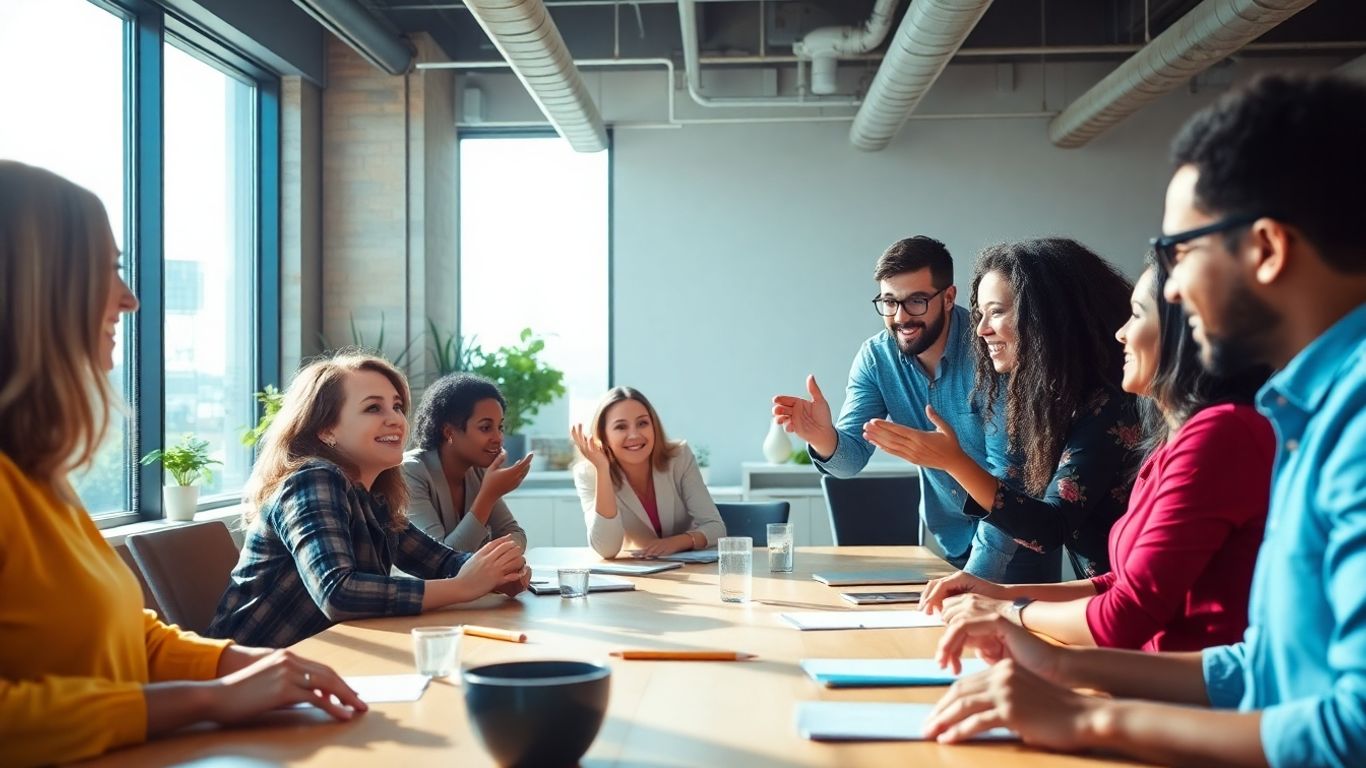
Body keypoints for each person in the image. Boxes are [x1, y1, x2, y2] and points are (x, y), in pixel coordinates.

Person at [924, 73, 1366, 767]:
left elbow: (1352, 731)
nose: (1175, 287)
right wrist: (1061, 671)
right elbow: (1266, 668)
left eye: (1179, 253)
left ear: (1268, 249)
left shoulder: (1351, 422)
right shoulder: (1304, 411)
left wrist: (1087, 722)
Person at [0, 161, 366, 768]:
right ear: (35, 285)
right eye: (106, 270)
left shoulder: (39, 478)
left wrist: (240, 665)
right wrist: (209, 698)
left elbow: (124, 634)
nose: (130, 298)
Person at [918, 257, 1273, 652]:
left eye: (1137, 315)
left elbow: (1065, 545)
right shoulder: (1163, 440)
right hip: (1137, 660)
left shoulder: (1203, 431)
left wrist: (1006, 611)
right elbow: (1118, 581)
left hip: (1167, 674)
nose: (1121, 332)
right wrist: (999, 596)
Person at [773, 236, 1055, 582]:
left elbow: (1010, 476)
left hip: (1017, 540)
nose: (901, 317)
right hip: (951, 540)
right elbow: (849, 462)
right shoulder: (877, 359)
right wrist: (823, 438)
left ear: (948, 297)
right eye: (889, 303)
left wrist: (977, 577)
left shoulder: (992, 351)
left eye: (917, 301)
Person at [208, 353, 530, 648]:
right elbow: (339, 593)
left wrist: (497, 574)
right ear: (326, 430)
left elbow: (442, 562)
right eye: (373, 408)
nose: (396, 420)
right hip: (247, 677)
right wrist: (464, 587)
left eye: (397, 407)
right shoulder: (313, 478)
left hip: (315, 664)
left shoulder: (372, 498)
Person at [864, 238, 1141, 578]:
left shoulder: (1109, 405)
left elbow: (1048, 529)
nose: (981, 329)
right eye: (981, 313)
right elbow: (1103, 584)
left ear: (1046, 315)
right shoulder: (1058, 403)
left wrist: (954, 461)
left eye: (996, 312)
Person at [571, 387, 725, 559]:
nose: (634, 435)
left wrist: (676, 542)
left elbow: (716, 528)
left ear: (654, 426)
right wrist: (602, 469)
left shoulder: (679, 458)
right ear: (603, 436)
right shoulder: (589, 474)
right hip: (640, 573)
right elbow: (606, 549)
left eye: (642, 423)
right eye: (621, 427)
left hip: (693, 569)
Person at [402, 373, 530, 552]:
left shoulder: (478, 470)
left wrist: (498, 563)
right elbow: (440, 559)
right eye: (485, 428)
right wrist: (488, 496)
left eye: (499, 427)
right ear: (449, 432)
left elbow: (515, 534)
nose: (498, 438)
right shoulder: (410, 471)